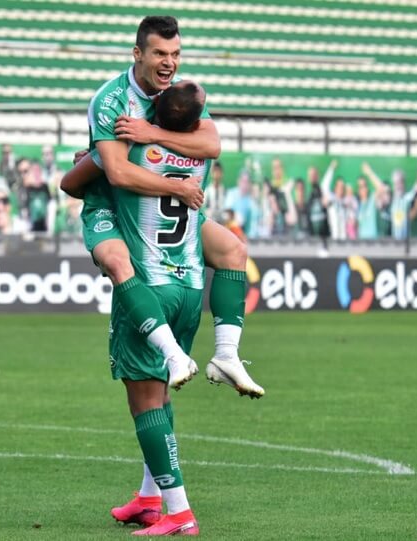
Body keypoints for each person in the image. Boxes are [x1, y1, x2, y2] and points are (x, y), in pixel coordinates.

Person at [70, 15, 262, 399]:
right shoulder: (110, 100)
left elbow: (212, 145)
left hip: (160, 206)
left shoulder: (176, 97)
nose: (169, 62)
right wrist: (180, 189)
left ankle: (226, 354)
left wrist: (151, 133)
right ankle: (173, 354)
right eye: (160, 53)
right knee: (115, 259)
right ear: (138, 53)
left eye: (175, 54)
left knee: (233, 250)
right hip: (116, 204)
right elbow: (119, 175)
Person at [62, 80, 208, 537]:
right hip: (189, 283)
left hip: (148, 285)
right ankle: (150, 498)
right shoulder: (197, 154)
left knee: (144, 400)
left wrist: (93, 159)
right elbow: (212, 139)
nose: (169, 63)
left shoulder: (131, 150)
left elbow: (79, 181)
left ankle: (179, 512)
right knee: (160, 395)